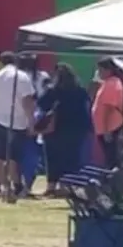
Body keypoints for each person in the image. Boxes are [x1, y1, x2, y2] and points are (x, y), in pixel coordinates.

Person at [0, 52, 36, 202]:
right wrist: (31, 121)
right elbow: (27, 101)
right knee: (14, 157)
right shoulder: (22, 77)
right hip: (17, 122)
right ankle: (17, 185)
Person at [37, 63, 92, 197]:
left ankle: (51, 186)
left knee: (53, 158)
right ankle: (69, 186)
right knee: (72, 158)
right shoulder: (80, 91)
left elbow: (42, 105)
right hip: (76, 129)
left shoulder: (53, 91)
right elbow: (86, 108)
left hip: (55, 130)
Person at [92, 57, 123, 171]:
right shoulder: (109, 82)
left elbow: (108, 108)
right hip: (106, 127)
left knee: (111, 158)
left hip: (110, 127)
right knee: (109, 157)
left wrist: (106, 131)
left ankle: (113, 181)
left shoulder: (112, 84)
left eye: (100, 70)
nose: (99, 73)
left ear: (108, 70)